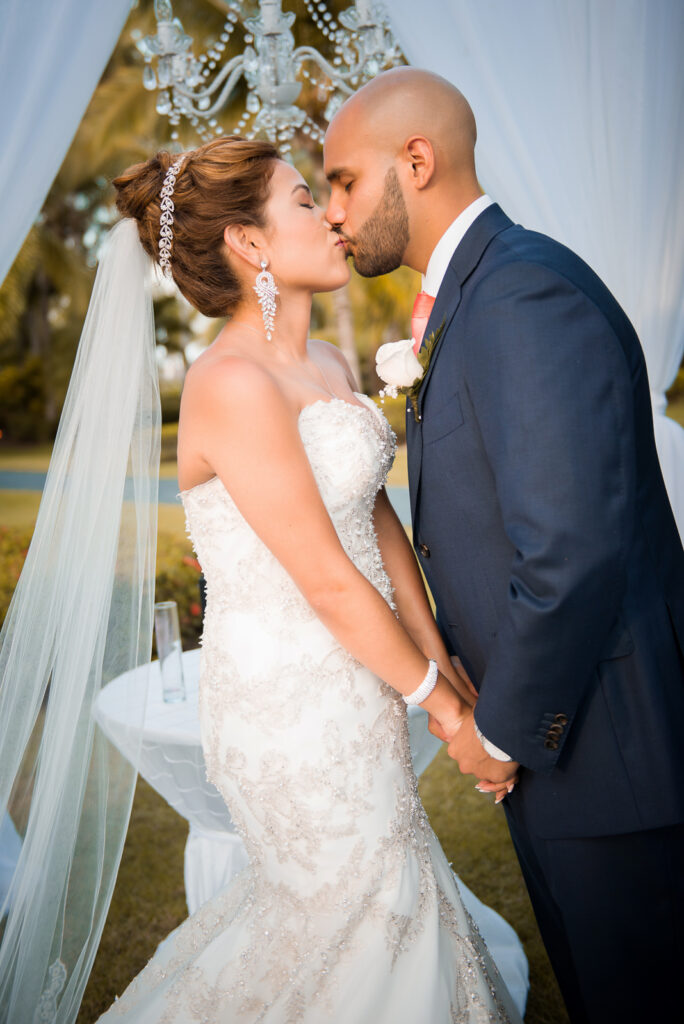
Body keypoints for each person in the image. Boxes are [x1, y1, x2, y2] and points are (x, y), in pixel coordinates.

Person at [62, 136, 526, 1021]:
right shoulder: (227, 383)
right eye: (305, 199)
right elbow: (324, 577)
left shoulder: (329, 367)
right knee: (352, 905)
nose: (333, 217)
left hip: (361, 685)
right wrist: (450, 711)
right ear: (250, 243)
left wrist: (444, 658)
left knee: (381, 894)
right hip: (287, 706)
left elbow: (377, 524)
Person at [323, 67, 684, 1024]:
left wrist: (496, 733)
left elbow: (568, 551)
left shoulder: (522, 294)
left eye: (343, 182)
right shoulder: (475, 297)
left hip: (607, 757)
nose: (330, 213)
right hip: (571, 756)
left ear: (417, 160)